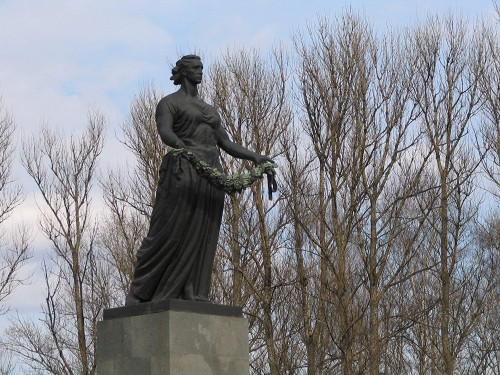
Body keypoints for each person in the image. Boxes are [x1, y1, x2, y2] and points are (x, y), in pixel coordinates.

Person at [125, 55, 273, 305]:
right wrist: (181, 148)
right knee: (169, 231)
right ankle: (140, 291)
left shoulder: (210, 110)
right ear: (183, 72)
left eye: (201, 68)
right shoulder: (169, 103)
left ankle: (193, 291)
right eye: (195, 68)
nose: (200, 72)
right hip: (182, 170)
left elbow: (225, 143)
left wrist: (256, 157)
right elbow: (166, 132)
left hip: (211, 175)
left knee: (204, 231)